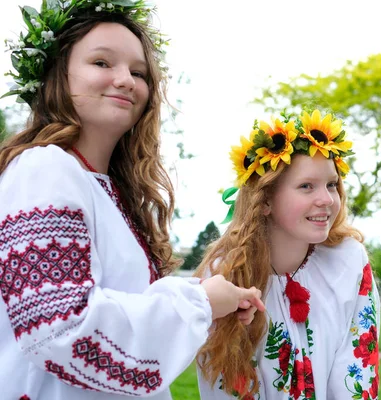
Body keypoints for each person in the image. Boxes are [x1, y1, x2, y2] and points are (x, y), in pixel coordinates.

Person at [0, 1, 264, 399]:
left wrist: (212, 300)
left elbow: (119, 307)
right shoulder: (46, 168)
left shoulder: (107, 189)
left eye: (138, 72)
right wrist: (198, 302)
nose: (125, 80)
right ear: (58, 75)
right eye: (102, 63)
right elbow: (57, 327)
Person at [196, 110, 381, 399]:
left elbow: (357, 369)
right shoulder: (227, 277)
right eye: (307, 186)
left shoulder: (349, 261)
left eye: (331, 184)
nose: (326, 200)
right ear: (265, 199)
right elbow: (229, 384)